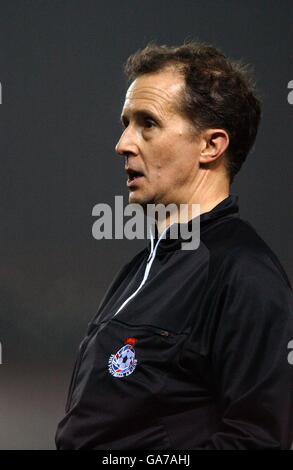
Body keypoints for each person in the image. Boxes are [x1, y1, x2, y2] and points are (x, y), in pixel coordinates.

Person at [55, 42, 293, 450]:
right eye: (126, 123)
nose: (123, 143)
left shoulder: (245, 275)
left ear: (210, 145)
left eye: (147, 123)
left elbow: (257, 439)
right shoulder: (142, 267)